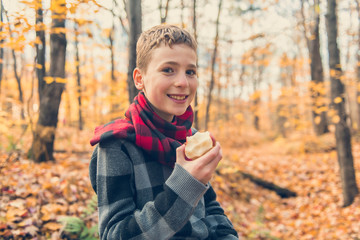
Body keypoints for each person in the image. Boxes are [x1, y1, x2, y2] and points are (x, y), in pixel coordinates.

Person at [89, 24, 239, 240]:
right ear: (140, 79)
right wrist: (185, 185)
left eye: (190, 72)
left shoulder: (192, 138)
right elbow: (115, 235)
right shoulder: (116, 146)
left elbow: (211, 208)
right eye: (168, 70)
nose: (182, 82)